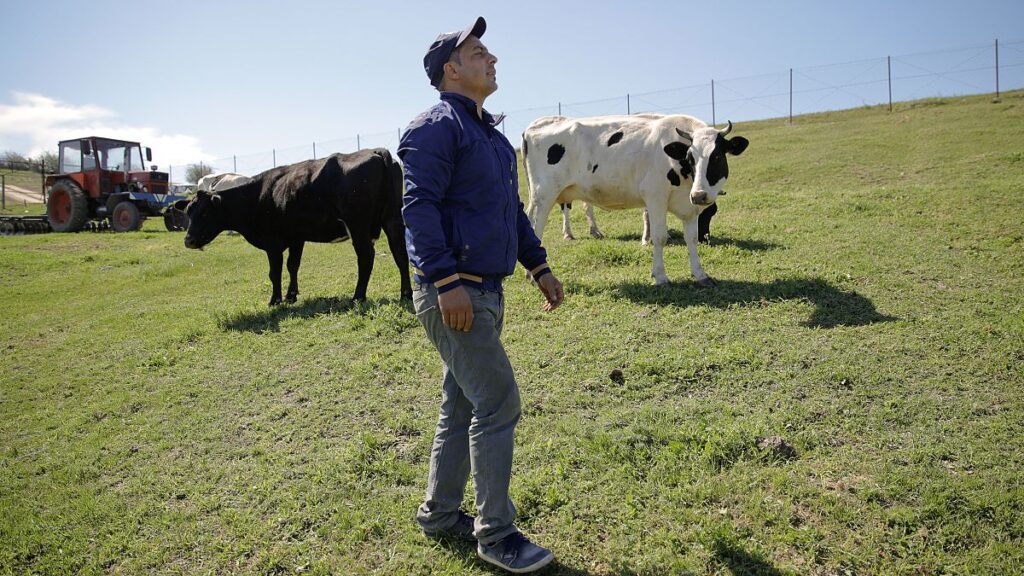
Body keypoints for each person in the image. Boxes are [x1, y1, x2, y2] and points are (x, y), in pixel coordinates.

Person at [399, 16, 564, 575]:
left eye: (490, 52)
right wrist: (445, 282)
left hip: (487, 290)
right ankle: (496, 536)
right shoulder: (434, 127)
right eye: (479, 53)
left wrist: (539, 267)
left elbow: (510, 213)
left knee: (463, 403)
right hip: (456, 292)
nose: (492, 60)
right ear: (451, 69)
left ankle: (440, 515)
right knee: (498, 402)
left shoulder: (490, 137)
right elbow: (417, 209)